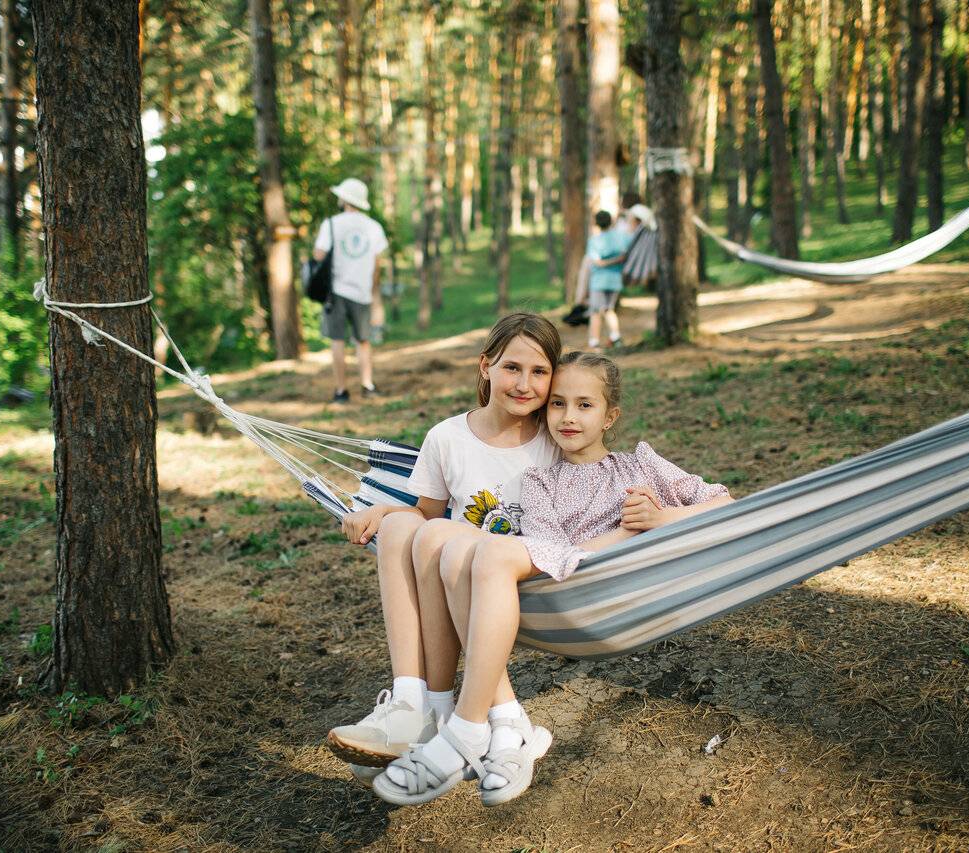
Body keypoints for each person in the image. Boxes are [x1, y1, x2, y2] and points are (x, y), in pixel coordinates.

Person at [371, 351, 733, 807]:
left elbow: (723, 501)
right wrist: (621, 533)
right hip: (566, 584)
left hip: (627, 586)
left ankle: (466, 725)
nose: (568, 416)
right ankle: (474, 720)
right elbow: (552, 550)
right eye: (557, 404)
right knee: (471, 548)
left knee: (485, 551)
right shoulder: (540, 482)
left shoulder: (640, 465)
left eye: (585, 405)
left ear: (609, 417)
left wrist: (662, 517)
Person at [325, 313, 563, 783]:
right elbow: (428, 514)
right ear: (485, 366)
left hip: (523, 575)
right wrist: (381, 513)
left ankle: (445, 710)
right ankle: (411, 700)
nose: (524, 383)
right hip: (455, 576)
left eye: (539, 372)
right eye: (512, 368)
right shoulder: (447, 438)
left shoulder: (558, 436)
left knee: (439, 540)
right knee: (400, 529)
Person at [313, 178, 389, 404]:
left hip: (336, 291)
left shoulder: (332, 224)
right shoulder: (373, 226)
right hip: (362, 291)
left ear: (344, 199)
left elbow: (318, 255)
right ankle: (367, 385)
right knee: (363, 340)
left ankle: (341, 391)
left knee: (337, 340)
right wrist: (373, 290)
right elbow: (377, 263)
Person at [585, 210, 633, 350]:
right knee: (609, 310)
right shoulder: (622, 237)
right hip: (615, 280)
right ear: (610, 222)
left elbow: (597, 262)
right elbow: (627, 254)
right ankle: (615, 337)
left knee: (595, 311)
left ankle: (594, 342)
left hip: (598, 281)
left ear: (596, 223)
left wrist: (607, 262)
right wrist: (618, 260)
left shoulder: (594, 241)